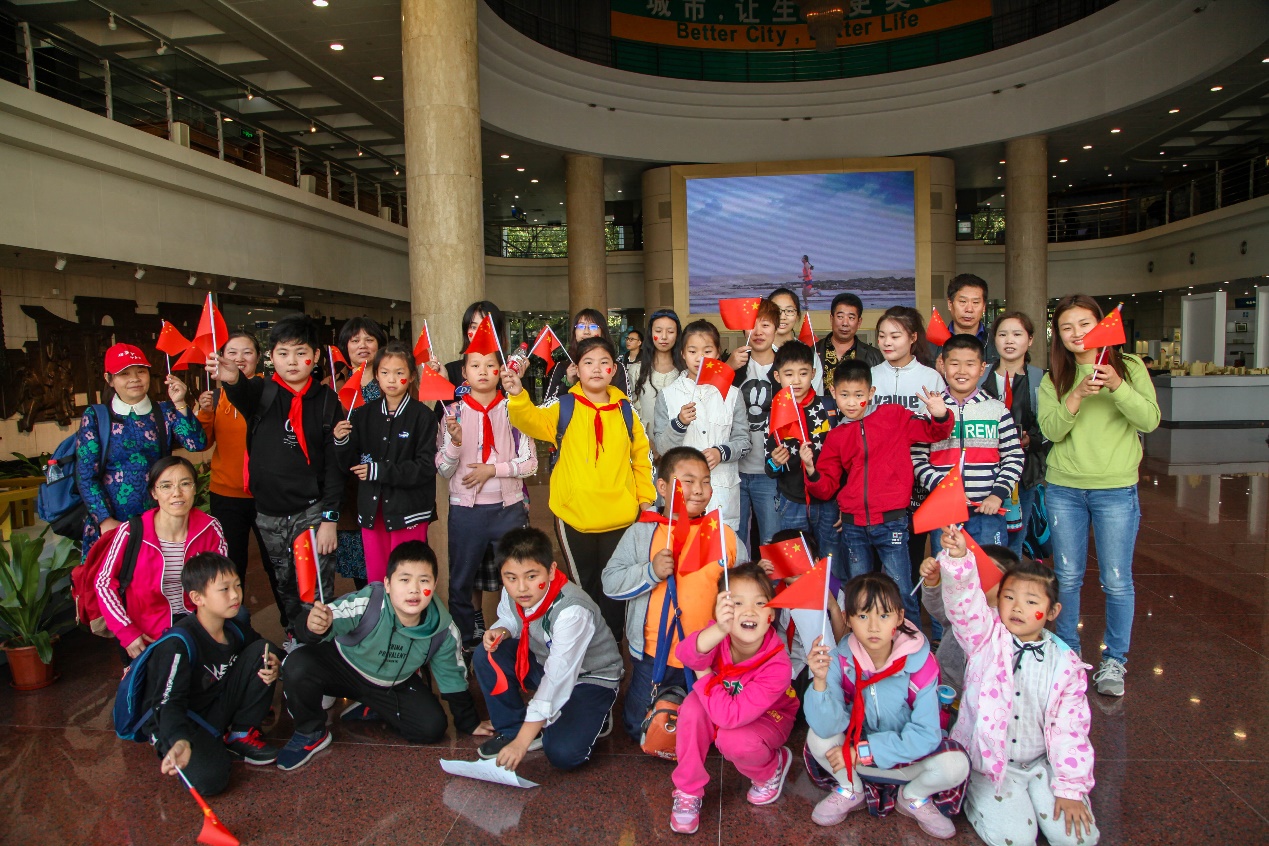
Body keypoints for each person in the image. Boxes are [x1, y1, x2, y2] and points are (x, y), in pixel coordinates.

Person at [931, 527, 1099, 846]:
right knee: (1016, 839)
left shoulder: (1065, 665)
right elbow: (963, 604)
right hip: (990, 765)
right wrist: (958, 559)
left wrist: (1070, 789)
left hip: (1042, 764)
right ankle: (976, 795)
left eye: (1030, 601)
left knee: (1079, 839)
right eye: (1009, 597)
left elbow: (1071, 729)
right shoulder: (983, 638)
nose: (1017, 608)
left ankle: (1044, 794)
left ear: (1052, 611)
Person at [1038, 294, 1159, 697]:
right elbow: (1051, 431)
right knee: (1067, 577)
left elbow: (1150, 420)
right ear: (1058, 334)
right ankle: (1068, 655)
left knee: (1116, 579)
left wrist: (1118, 386)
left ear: (1100, 325)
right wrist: (1076, 395)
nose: (1076, 333)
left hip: (1115, 489)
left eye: (1084, 324)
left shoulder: (1129, 366)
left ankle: (1114, 660)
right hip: (1064, 489)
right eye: (1066, 327)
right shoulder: (1055, 375)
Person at [278, 541, 479, 770]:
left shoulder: (442, 629)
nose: (414, 589)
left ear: (434, 584)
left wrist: (470, 724)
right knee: (298, 664)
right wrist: (313, 625)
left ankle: (371, 706)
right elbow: (327, 619)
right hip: (344, 669)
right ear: (388, 584)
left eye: (424, 580)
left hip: (391, 684)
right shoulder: (368, 602)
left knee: (431, 728)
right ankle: (310, 733)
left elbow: (452, 678)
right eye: (404, 580)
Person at [503, 335, 654, 638]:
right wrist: (518, 396)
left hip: (621, 518)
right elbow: (530, 421)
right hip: (574, 517)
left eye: (604, 362)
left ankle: (612, 647)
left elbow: (641, 459)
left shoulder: (626, 411)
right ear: (577, 369)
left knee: (615, 587)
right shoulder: (564, 406)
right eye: (588, 362)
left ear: (614, 369)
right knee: (585, 589)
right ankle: (589, 647)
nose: (596, 369)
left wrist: (645, 503)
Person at [804, 573, 970, 839]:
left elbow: (926, 735)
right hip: (853, 758)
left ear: (899, 617)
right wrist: (820, 682)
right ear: (847, 619)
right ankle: (851, 788)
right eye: (862, 616)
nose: (873, 627)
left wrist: (864, 752)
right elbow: (826, 726)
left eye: (884, 615)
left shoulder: (921, 664)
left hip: (905, 760)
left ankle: (913, 796)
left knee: (956, 765)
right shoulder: (839, 661)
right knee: (818, 737)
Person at [209, 315, 344, 644]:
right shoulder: (262, 391)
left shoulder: (327, 400)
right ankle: (296, 637)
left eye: (301, 353)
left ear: (315, 355)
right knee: (284, 583)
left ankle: (321, 648)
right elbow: (241, 391)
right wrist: (231, 379)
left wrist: (330, 518)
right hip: (268, 513)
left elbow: (334, 465)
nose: (292, 361)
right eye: (283, 353)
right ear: (271, 357)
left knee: (316, 584)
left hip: (310, 511)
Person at [602, 447, 746, 742]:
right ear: (663, 487)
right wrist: (650, 572)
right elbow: (610, 582)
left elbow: (747, 588)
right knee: (638, 728)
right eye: (688, 481)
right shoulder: (643, 533)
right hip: (655, 655)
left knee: (713, 727)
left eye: (706, 481)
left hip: (708, 655)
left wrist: (755, 580)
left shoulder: (723, 535)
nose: (699, 490)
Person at [803, 360, 952, 616]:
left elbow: (934, 433)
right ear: (833, 392)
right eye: (844, 395)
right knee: (860, 593)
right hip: (853, 526)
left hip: (892, 521)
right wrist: (811, 470)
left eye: (858, 395)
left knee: (901, 591)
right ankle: (862, 638)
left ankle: (911, 638)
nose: (851, 402)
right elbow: (826, 488)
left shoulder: (894, 415)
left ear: (871, 393)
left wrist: (940, 414)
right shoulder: (837, 435)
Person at [471, 527, 624, 771]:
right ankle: (512, 729)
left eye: (531, 576)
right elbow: (511, 618)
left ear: (551, 571)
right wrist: (501, 630)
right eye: (511, 578)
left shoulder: (572, 610)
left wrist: (522, 744)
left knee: (563, 754)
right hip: (546, 662)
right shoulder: (514, 591)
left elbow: (557, 677)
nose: (521, 588)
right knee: (488, 653)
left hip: (589, 677)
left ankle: (598, 713)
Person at [667, 562, 798, 834]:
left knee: (733, 739)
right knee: (691, 710)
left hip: (768, 719)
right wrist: (717, 631)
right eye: (737, 603)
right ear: (721, 609)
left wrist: (703, 673)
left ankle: (771, 768)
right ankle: (688, 790)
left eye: (760, 603)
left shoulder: (778, 665)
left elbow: (729, 716)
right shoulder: (719, 633)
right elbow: (685, 654)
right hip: (723, 703)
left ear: (771, 614)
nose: (749, 611)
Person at [146, 553, 282, 795]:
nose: (235, 595)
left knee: (264, 652)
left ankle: (240, 734)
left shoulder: (234, 627)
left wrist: (277, 665)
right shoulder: (178, 644)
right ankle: (189, 745)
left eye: (237, 585)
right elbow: (167, 702)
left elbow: (265, 648)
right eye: (224, 589)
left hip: (215, 704)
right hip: (186, 721)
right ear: (197, 598)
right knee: (211, 781)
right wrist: (178, 740)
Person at [437, 348, 536, 650]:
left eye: (490, 365)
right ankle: (464, 645)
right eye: (475, 365)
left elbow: (530, 464)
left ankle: (520, 640)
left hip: (508, 509)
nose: (482, 371)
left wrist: (492, 470)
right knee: (461, 581)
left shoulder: (513, 409)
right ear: (464, 372)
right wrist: (455, 443)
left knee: (520, 578)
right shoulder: (452, 412)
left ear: (500, 371)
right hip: (466, 512)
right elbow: (443, 469)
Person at [76, 343, 207, 558]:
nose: (135, 379)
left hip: (159, 519)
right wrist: (105, 520)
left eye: (141, 371)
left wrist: (180, 403)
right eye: (124, 374)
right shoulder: (96, 416)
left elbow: (196, 444)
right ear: (109, 379)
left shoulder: (164, 411)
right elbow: (86, 475)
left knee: (156, 574)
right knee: (115, 575)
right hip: (111, 522)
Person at [96, 456, 229, 660]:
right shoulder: (131, 532)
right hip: (146, 633)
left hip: (197, 624)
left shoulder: (210, 528)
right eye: (166, 486)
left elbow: (222, 582)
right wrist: (127, 632)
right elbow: (104, 583)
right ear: (154, 492)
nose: (177, 493)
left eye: (185, 484)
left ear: (195, 488)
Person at [333, 342, 438, 584]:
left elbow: (425, 467)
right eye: (384, 372)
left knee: (409, 577)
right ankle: (382, 611)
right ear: (376, 376)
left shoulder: (423, 416)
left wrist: (379, 470)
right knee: (378, 579)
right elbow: (350, 464)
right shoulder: (362, 414)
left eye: (399, 372)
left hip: (409, 511)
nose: (391, 379)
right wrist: (341, 441)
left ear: (411, 376)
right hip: (373, 510)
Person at [197, 332, 284, 621]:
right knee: (231, 566)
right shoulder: (216, 396)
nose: (239, 358)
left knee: (275, 563)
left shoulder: (270, 392)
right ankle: (235, 629)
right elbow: (202, 443)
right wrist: (204, 413)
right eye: (232, 353)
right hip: (226, 495)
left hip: (265, 494)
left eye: (247, 352)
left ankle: (291, 626)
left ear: (258, 358)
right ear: (222, 358)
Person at [912, 334, 1025, 553]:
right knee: (948, 567)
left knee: (989, 568)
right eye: (954, 364)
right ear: (942, 365)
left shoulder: (997, 410)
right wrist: (944, 489)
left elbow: (1014, 456)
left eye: (970, 364)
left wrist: (997, 494)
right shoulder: (929, 410)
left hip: (988, 511)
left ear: (982, 368)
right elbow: (917, 458)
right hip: (945, 511)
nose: (962, 371)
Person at [871, 306, 947, 624]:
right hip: (877, 482)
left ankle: (909, 625)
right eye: (882, 336)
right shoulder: (872, 376)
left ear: (913, 338)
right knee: (878, 559)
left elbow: (937, 429)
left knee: (911, 555)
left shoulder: (930, 378)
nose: (887, 342)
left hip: (916, 481)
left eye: (895, 335)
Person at [652, 320, 749, 529]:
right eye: (693, 351)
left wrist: (721, 452)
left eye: (707, 351)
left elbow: (744, 442)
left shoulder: (732, 395)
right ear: (682, 354)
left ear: (718, 354)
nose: (700, 358)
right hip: (682, 496)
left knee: (722, 547)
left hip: (721, 494)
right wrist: (679, 424)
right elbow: (661, 447)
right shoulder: (668, 396)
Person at [979, 312, 1048, 558]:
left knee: (1015, 539)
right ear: (994, 340)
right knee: (983, 538)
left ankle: (1010, 582)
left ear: (1030, 340)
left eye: (1017, 334)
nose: (1009, 340)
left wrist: (1031, 440)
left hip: (1023, 473)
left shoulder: (1040, 379)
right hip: (982, 473)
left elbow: (1049, 427)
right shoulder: (980, 375)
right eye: (1003, 334)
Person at [764, 341, 838, 564]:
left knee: (831, 562)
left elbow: (843, 459)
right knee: (795, 564)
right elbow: (770, 469)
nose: (796, 380)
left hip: (828, 500)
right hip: (791, 500)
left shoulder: (829, 407)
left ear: (813, 374)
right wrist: (776, 462)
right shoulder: (775, 413)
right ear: (777, 376)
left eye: (803, 373)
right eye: (789, 374)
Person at [332, 317, 388, 589]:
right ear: (346, 346)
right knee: (362, 569)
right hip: (352, 487)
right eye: (355, 340)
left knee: (394, 564)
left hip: (388, 483)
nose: (362, 345)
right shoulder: (334, 384)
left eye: (369, 339)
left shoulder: (392, 379)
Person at [917, 543, 1013, 695]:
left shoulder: (1010, 623)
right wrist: (932, 581)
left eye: (989, 572)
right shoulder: (959, 607)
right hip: (944, 683)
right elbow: (937, 607)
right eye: (974, 569)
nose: (978, 577)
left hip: (981, 696)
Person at [730, 299, 783, 550]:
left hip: (770, 472)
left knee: (771, 543)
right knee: (735, 544)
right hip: (734, 470)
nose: (759, 332)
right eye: (753, 325)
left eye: (766, 324)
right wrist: (728, 368)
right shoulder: (733, 364)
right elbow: (709, 398)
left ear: (776, 328)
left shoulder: (786, 366)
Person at [542, 308, 630, 404]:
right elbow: (547, 405)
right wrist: (568, 382)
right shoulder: (562, 367)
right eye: (581, 326)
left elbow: (626, 406)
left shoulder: (616, 368)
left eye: (593, 326)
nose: (586, 331)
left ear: (603, 331)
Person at [629, 309, 685, 428]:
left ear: (677, 335)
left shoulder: (685, 372)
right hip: (645, 438)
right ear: (650, 333)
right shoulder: (636, 371)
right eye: (658, 331)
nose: (664, 337)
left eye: (670, 331)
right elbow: (631, 410)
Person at [816, 293, 883, 389]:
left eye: (851, 318)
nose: (845, 323)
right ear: (831, 319)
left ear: (859, 322)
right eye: (840, 317)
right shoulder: (813, 351)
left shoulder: (874, 356)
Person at [768, 287, 824, 393]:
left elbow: (816, 393)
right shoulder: (758, 352)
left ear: (797, 316)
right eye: (776, 311)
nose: (782, 317)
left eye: (789, 311)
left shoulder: (809, 353)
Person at [932, 274, 996, 366]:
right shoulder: (930, 345)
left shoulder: (996, 341)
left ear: (984, 307)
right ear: (950, 304)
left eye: (975, 302)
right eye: (963, 301)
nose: (969, 309)